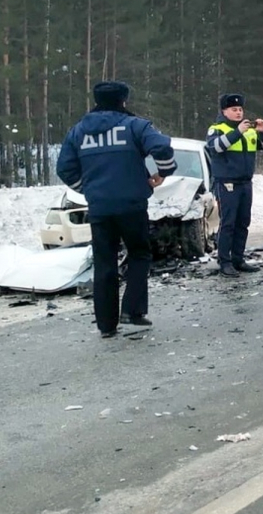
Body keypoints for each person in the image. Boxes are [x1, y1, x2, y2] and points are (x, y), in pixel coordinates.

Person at [56, 81, 176, 338]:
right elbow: (163, 148)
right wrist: (162, 173)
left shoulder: (78, 131)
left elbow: (64, 169)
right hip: (132, 204)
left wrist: (87, 188)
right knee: (139, 254)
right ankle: (132, 311)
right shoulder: (135, 126)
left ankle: (106, 325)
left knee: (104, 263)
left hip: (100, 208)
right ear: (123, 101)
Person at [206, 93, 263, 276]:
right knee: (228, 223)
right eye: (234, 109)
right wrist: (237, 132)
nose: (238, 112)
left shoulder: (249, 130)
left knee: (243, 222)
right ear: (224, 111)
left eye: (240, 109)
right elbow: (216, 147)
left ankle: (238, 258)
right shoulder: (217, 128)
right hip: (227, 183)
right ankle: (224, 261)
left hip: (245, 182)